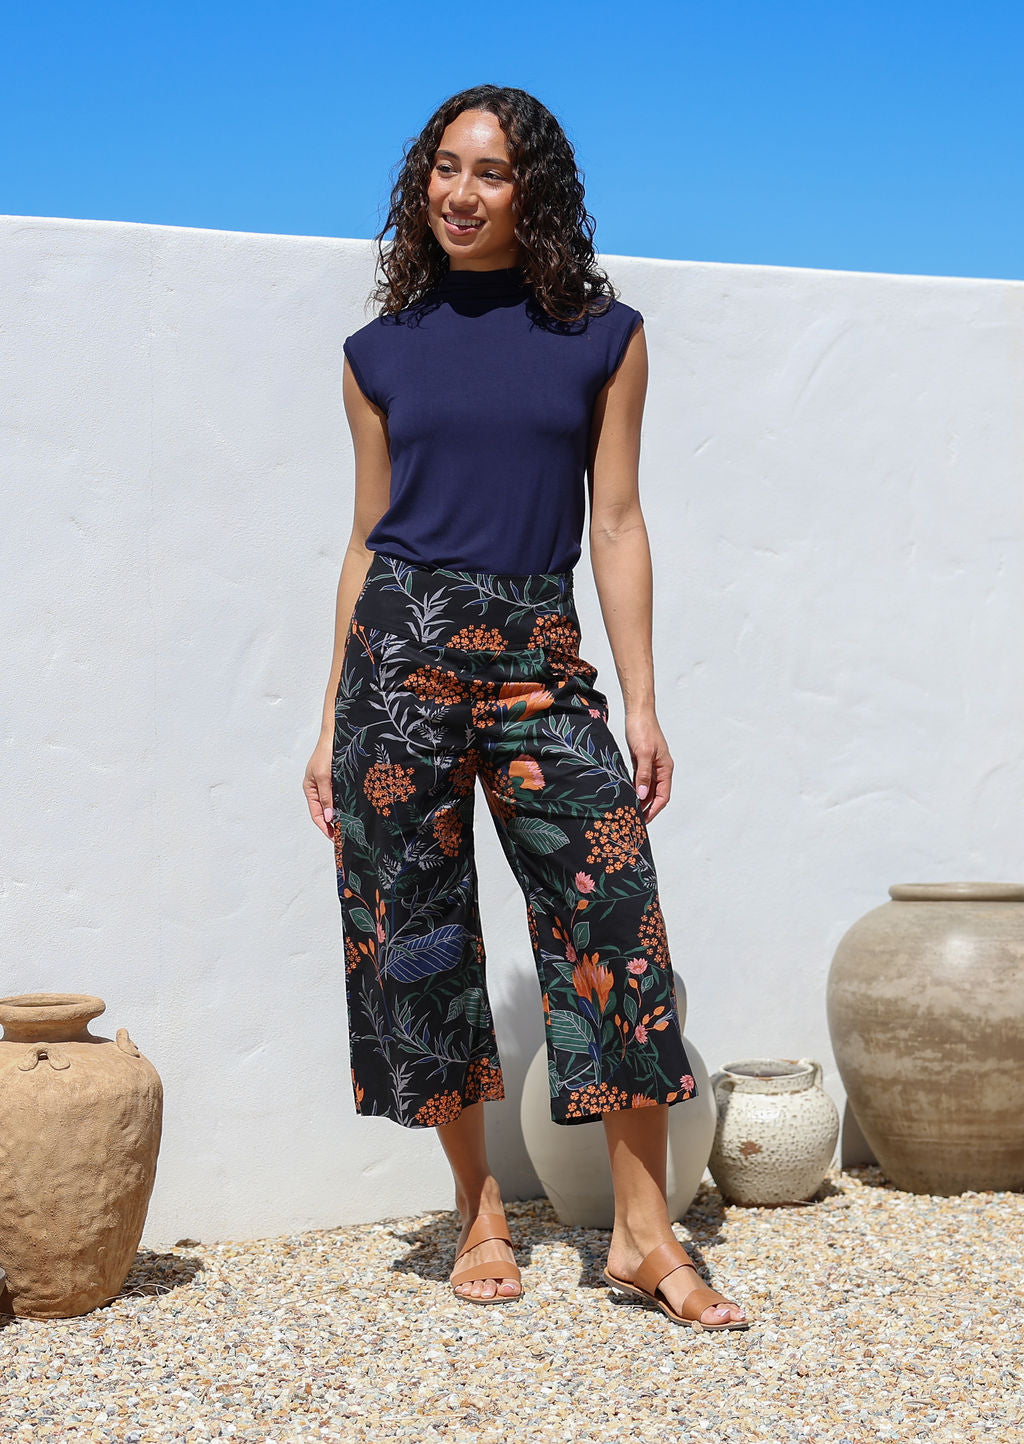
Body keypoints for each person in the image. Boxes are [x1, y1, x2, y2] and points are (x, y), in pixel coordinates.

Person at [303, 84, 750, 1330]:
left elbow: (615, 520)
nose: (459, 191)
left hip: (538, 651)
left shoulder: (603, 336)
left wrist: (643, 700)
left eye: (489, 172)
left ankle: (643, 1236)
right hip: (400, 660)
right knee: (420, 931)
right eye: (443, 168)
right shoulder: (376, 355)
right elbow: (361, 540)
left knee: (614, 919)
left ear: (531, 191)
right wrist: (333, 715)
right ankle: (478, 1210)